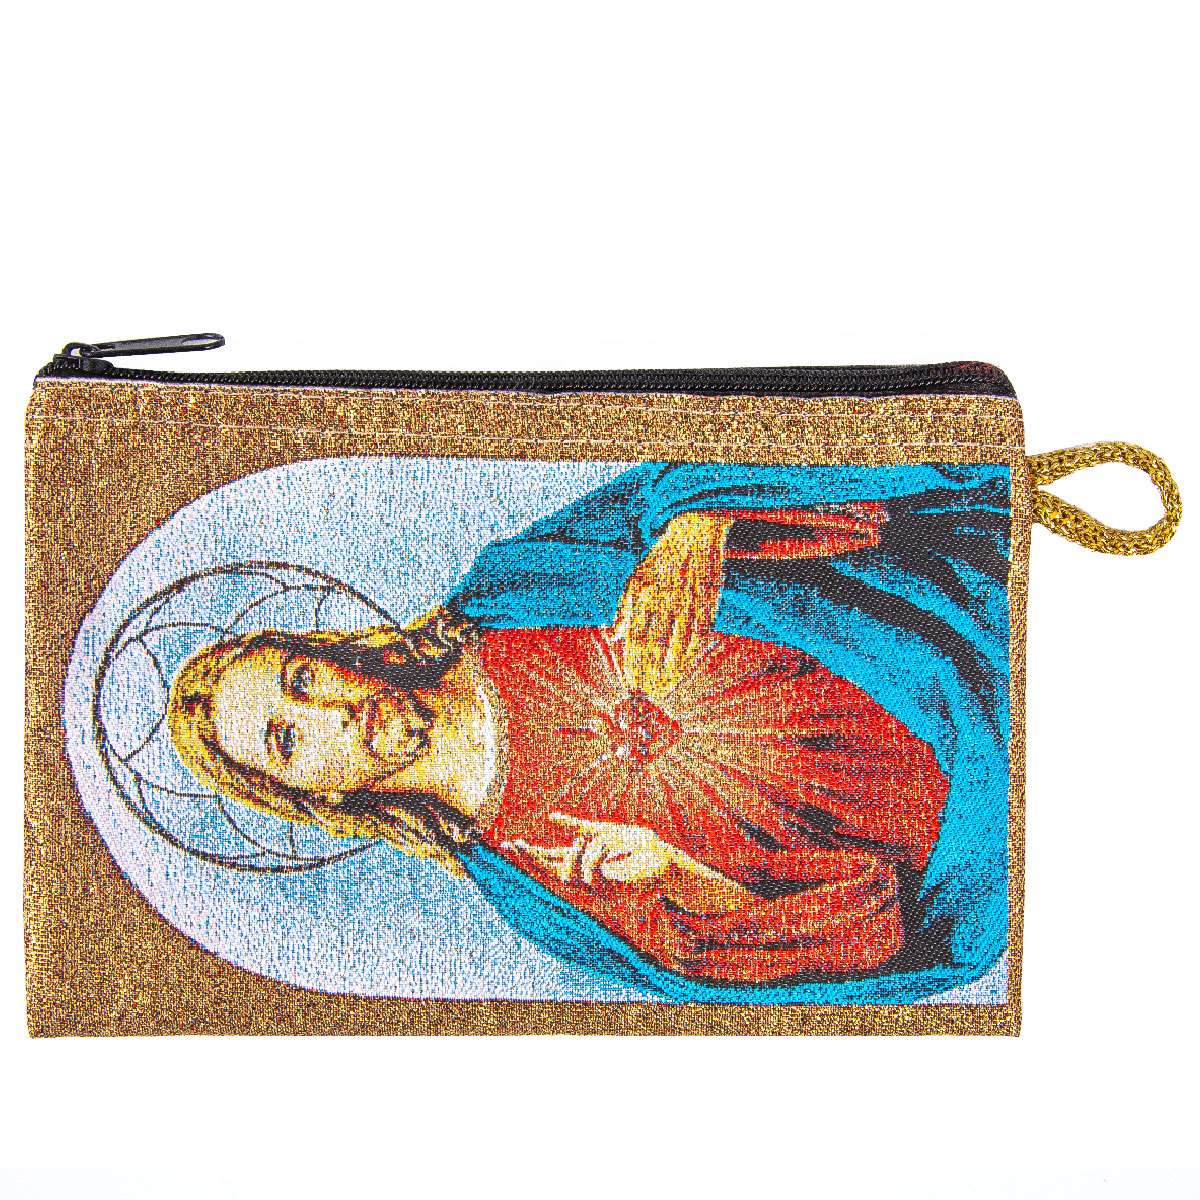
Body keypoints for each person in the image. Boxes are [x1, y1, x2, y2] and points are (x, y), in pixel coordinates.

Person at [170, 486, 952, 985]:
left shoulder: (510, 589)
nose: (328, 713)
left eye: (302, 680)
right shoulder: (531, 887)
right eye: (287, 740)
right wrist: (678, 875)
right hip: (950, 828)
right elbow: (844, 945)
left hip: (935, 646)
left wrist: (696, 527)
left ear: (330, 655)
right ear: (314, 794)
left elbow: (677, 486)